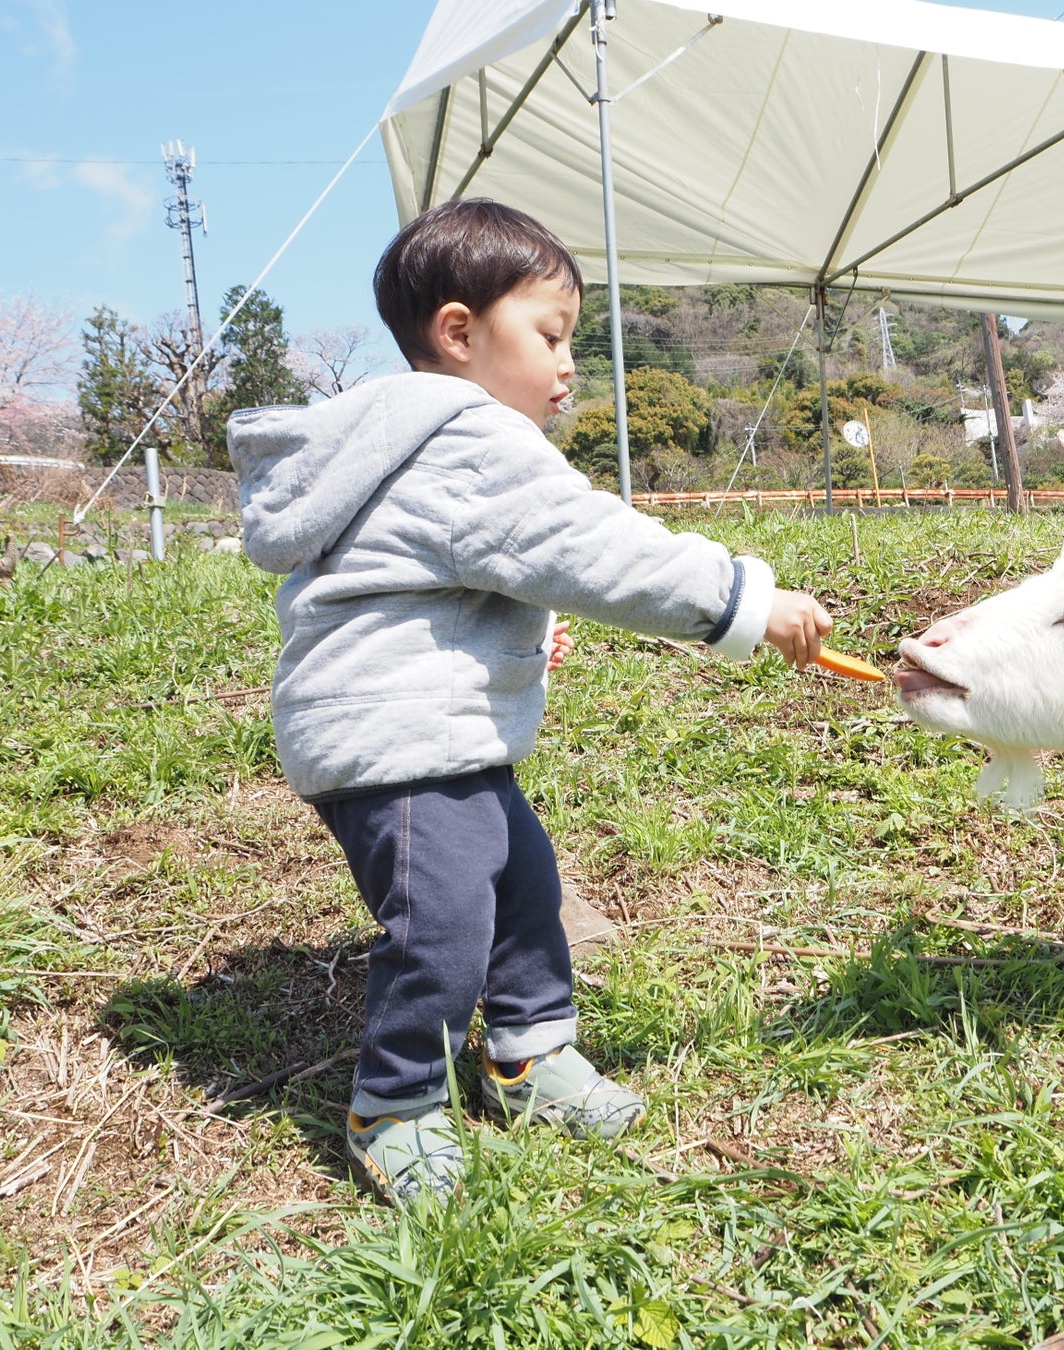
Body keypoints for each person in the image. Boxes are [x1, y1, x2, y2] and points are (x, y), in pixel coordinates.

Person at [229, 199, 831, 1206]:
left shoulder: (406, 441)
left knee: (522, 885)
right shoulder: (465, 435)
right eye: (548, 335)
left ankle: (526, 1058)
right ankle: (398, 1101)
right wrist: (744, 602)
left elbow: (448, 575)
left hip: (428, 731)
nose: (565, 367)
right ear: (459, 334)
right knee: (443, 922)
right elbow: (594, 548)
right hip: (400, 738)